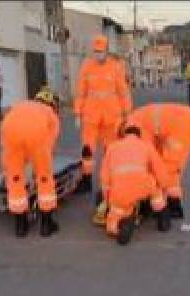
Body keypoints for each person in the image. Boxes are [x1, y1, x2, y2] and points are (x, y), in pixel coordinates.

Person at [74, 35, 132, 194]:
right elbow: (81, 92)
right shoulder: (86, 67)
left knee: (111, 150)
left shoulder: (116, 67)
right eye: (96, 51)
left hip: (112, 117)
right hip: (91, 116)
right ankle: (86, 180)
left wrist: (127, 113)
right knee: (87, 149)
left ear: (107, 51)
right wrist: (77, 113)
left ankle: (110, 180)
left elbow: (123, 92)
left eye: (101, 51)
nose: (98, 54)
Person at [0, 88, 61, 238]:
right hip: (36, 132)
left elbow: (7, 149)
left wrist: (9, 170)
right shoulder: (50, 114)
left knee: (15, 179)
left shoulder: (22, 105)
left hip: (9, 128)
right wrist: (39, 169)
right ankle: (46, 225)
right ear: (52, 104)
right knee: (45, 179)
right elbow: (48, 148)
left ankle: (20, 226)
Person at [124, 103, 190, 219]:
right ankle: (174, 205)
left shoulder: (135, 127)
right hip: (186, 123)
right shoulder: (136, 117)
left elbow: (148, 157)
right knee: (171, 167)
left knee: (169, 167)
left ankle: (167, 206)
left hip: (181, 127)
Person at [100, 123, 172, 245]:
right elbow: (159, 168)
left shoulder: (112, 147)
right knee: (157, 194)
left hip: (120, 189)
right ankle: (162, 218)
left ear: (123, 135)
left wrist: (107, 197)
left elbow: (105, 175)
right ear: (139, 135)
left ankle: (117, 228)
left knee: (117, 213)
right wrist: (164, 185)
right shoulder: (146, 146)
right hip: (143, 185)